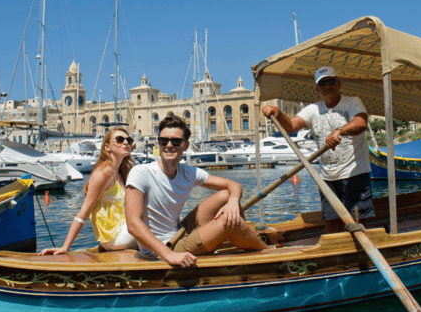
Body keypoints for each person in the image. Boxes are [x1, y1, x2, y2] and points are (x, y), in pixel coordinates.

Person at [125, 115, 267, 267]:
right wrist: (170, 255)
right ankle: (267, 251)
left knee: (227, 195)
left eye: (176, 141)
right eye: (163, 141)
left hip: (179, 233)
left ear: (186, 145)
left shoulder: (188, 172)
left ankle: (240, 239)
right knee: (232, 223)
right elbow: (133, 224)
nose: (169, 145)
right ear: (157, 144)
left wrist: (232, 202)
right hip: (163, 249)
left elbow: (234, 185)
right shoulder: (141, 172)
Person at [262, 65, 374, 234]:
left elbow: (361, 123)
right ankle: (337, 258)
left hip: (354, 175)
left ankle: (363, 259)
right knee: (332, 226)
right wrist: (277, 113)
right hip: (327, 180)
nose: (327, 87)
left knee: (360, 225)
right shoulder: (313, 109)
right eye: (322, 84)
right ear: (317, 89)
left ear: (338, 83)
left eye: (331, 81)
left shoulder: (352, 102)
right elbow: (291, 126)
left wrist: (340, 131)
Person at [39, 128, 137, 255]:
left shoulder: (119, 173)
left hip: (123, 231)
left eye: (128, 140)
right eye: (119, 139)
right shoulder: (104, 172)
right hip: (115, 238)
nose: (125, 143)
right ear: (107, 147)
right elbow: (84, 212)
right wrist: (65, 247)